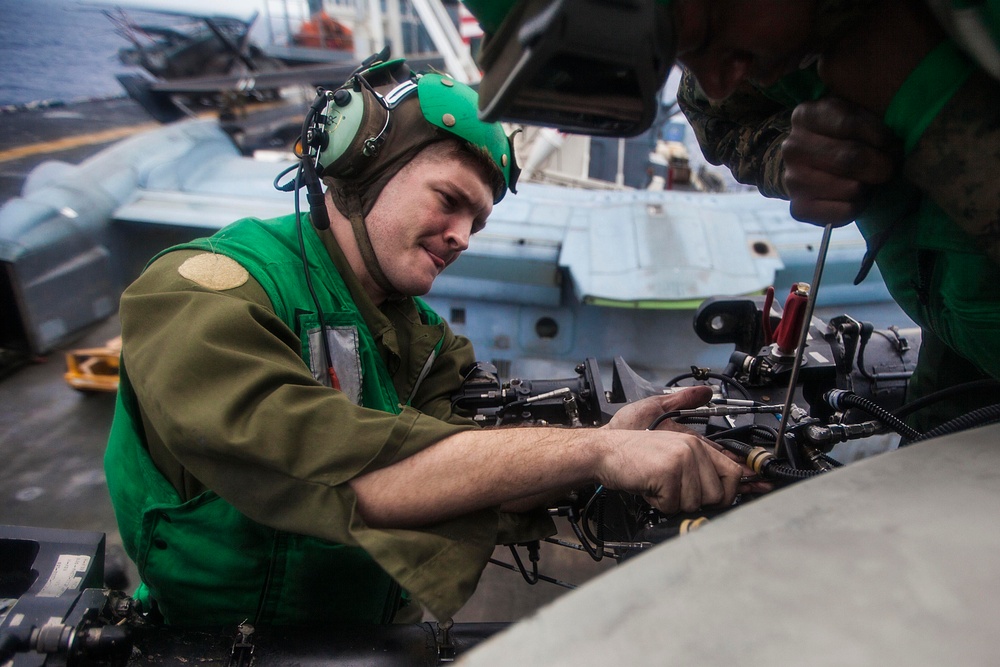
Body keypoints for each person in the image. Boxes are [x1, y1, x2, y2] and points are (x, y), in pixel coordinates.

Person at [104, 57, 744, 629]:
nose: (462, 236)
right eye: (450, 200)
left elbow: (476, 473)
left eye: (478, 222)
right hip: (218, 641)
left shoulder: (421, 335)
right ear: (361, 162)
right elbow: (357, 476)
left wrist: (621, 442)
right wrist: (597, 451)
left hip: (367, 638)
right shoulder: (204, 293)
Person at [463, 0, 1000, 432]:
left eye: (701, 36)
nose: (716, 78)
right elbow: (716, 114)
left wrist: (922, 100)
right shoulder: (751, 28)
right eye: (676, 53)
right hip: (958, 347)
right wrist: (794, 153)